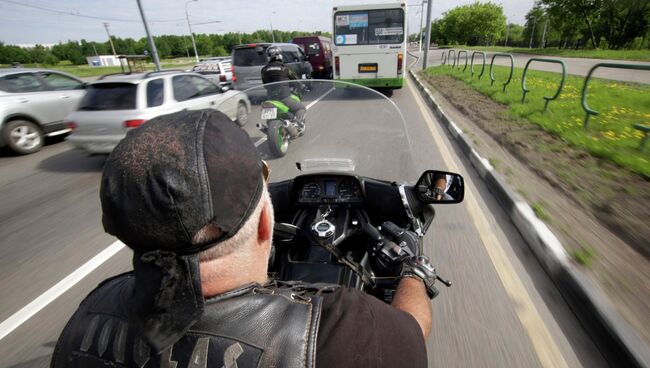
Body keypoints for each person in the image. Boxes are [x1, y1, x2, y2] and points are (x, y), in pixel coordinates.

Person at [51, 110, 436, 368]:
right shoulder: (344, 329)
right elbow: (412, 332)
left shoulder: (89, 312)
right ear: (267, 220)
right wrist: (414, 273)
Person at [261, 46, 306, 129]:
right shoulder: (285, 68)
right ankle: (297, 125)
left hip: (270, 98)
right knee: (301, 108)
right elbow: (296, 80)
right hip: (284, 97)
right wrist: (301, 86)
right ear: (280, 56)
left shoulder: (263, 70)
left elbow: (265, 85)